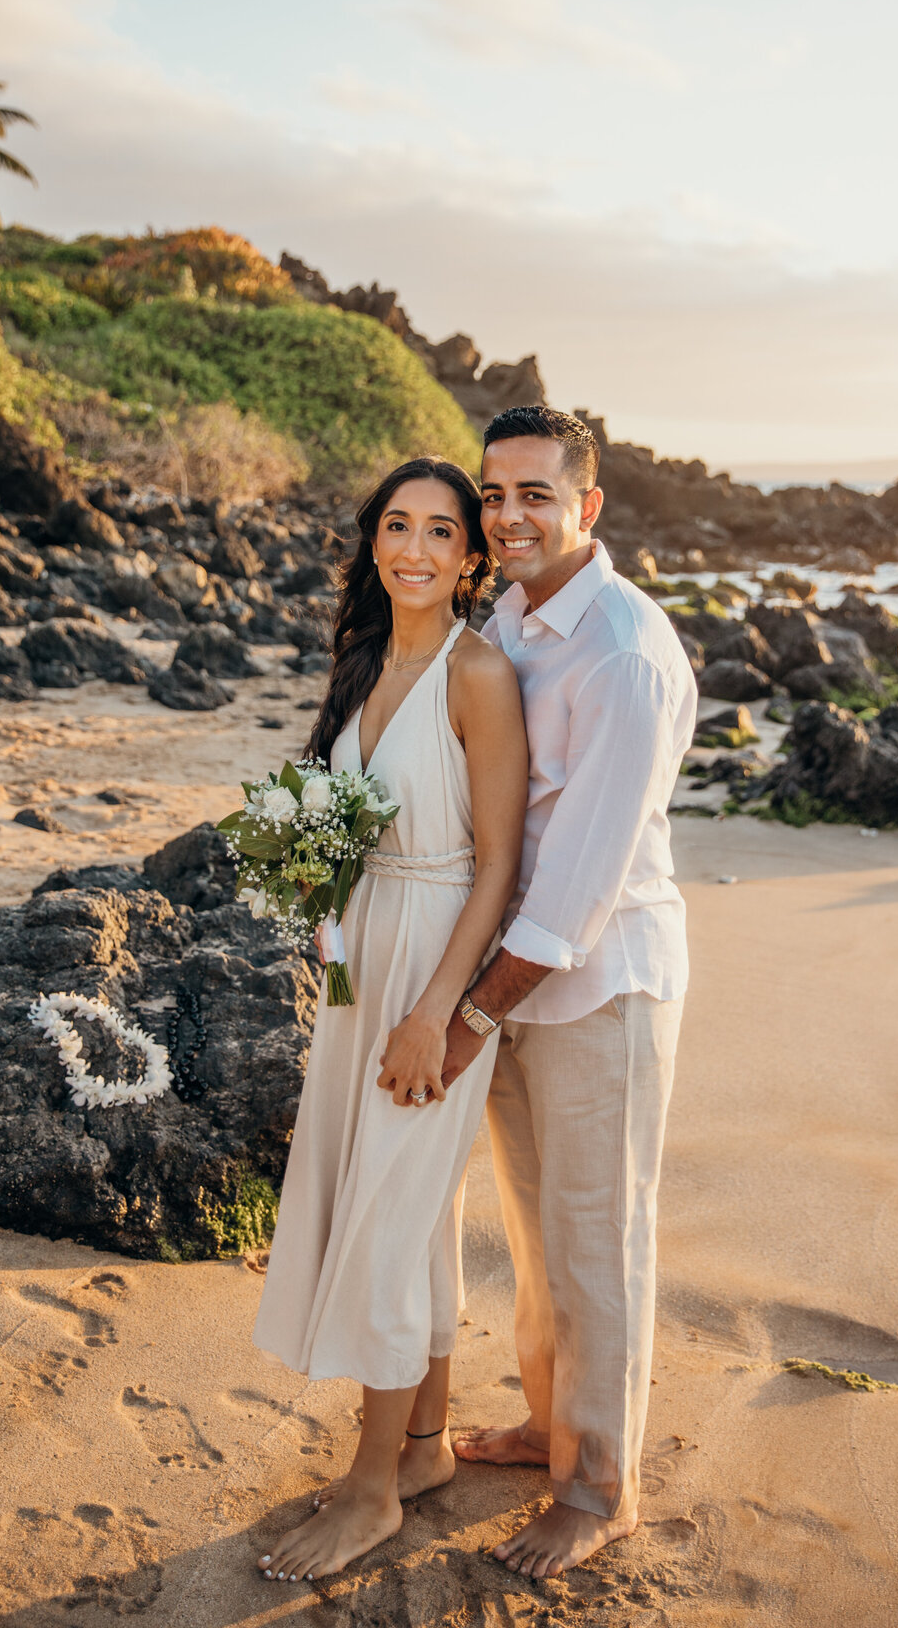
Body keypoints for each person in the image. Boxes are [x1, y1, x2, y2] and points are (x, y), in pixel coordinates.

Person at [253, 456, 528, 1584]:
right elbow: (346, 826)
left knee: (390, 1212)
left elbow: (500, 866)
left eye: (441, 532)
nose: (415, 549)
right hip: (361, 967)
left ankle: (370, 1494)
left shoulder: (478, 675)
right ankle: (419, 1450)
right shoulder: (365, 660)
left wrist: (440, 1014)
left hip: (430, 973)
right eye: (397, 527)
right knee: (402, 1213)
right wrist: (313, 893)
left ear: (471, 557)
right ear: (375, 543)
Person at [439, 406, 697, 1580]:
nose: (508, 516)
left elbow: (581, 885)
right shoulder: (510, 615)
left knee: (600, 1238)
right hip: (516, 982)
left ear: (588, 507)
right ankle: (547, 1428)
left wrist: (470, 1009)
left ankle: (600, 1488)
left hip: (599, 988)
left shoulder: (624, 651)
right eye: (495, 495)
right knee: (539, 1238)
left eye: (536, 494)